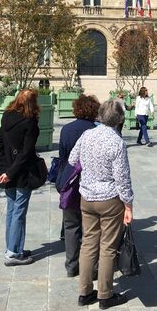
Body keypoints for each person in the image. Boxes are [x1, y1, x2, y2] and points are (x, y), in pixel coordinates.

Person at [68, 98, 134, 309]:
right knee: (107, 247)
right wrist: (128, 203)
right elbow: (122, 177)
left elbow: (72, 159)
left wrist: (90, 167)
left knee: (88, 244)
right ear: (120, 119)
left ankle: (85, 292)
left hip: (87, 196)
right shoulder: (117, 142)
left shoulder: (87, 135)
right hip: (109, 198)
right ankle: (105, 294)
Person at [0, 89, 40, 267]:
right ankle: (13, 253)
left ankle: (13, 247)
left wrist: (5, 171)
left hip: (8, 174)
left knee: (12, 211)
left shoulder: (6, 117)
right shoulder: (30, 122)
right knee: (19, 212)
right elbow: (26, 153)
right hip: (21, 174)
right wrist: (11, 172)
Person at [58, 94, 100, 276]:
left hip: (70, 183)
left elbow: (63, 159)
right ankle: (91, 265)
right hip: (90, 184)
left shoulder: (66, 130)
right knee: (91, 227)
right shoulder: (97, 131)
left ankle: (71, 265)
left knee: (70, 225)